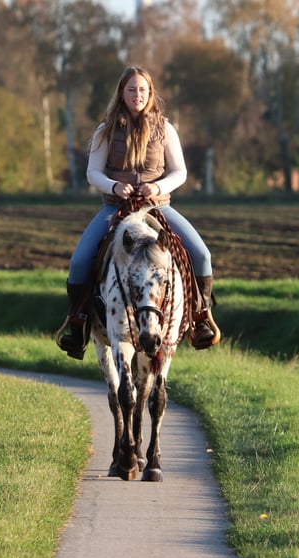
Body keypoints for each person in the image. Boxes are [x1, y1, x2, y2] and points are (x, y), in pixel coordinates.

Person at [57, 64, 221, 360]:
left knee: (202, 255)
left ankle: (200, 320)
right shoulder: (105, 130)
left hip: (158, 207)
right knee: (80, 261)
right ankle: (78, 325)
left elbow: (179, 172)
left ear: (150, 93)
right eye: (131, 89)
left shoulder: (166, 128)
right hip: (114, 207)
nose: (137, 95)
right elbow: (92, 173)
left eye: (143, 89)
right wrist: (114, 186)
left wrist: (157, 189)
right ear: (122, 92)